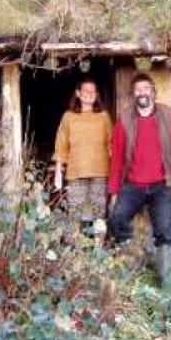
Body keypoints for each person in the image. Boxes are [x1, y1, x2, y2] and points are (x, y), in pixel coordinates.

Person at [108, 72, 171, 289]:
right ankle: (131, 265)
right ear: (133, 95)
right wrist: (114, 191)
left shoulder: (168, 116)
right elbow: (117, 159)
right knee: (117, 219)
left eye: (146, 89)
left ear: (153, 93)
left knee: (165, 229)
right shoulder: (124, 119)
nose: (142, 93)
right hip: (132, 185)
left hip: (161, 185)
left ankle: (166, 282)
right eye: (138, 90)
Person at [53, 78, 113, 231]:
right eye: (85, 90)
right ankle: (76, 244)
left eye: (93, 91)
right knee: (76, 214)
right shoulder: (68, 117)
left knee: (98, 214)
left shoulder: (104, 117)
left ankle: (98, 244)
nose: (89, 94)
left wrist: (115, 169)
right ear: (78, 93)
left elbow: (111, 143)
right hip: (76, 172)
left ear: (97, 95)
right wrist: (58, 171)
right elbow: (61, 144)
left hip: (100, 173)